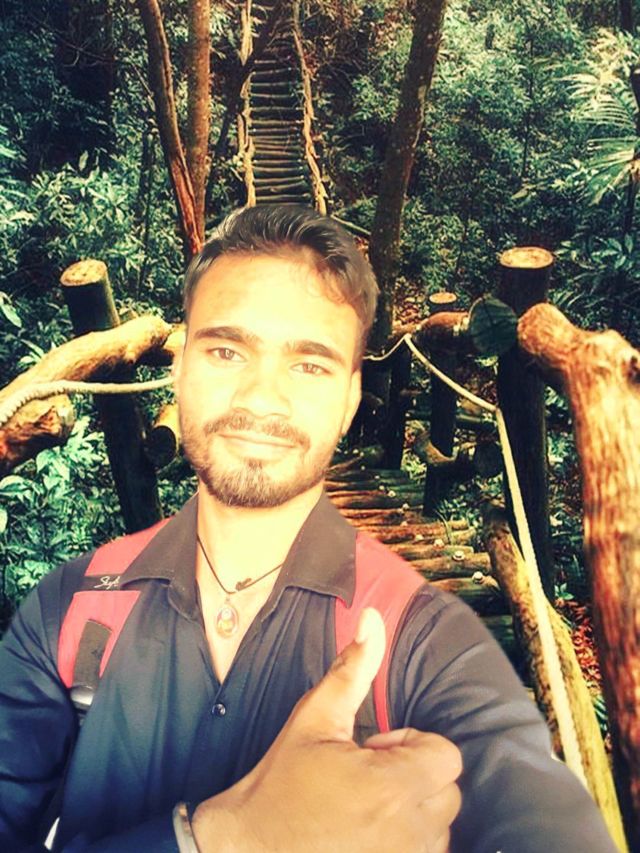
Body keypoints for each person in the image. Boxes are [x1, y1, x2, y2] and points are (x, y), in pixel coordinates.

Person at [0, 205, 617, 853]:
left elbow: (534, 806)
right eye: (226, 350)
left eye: (310, 364)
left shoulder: (428, 637)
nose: (262, 396)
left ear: (350, 400)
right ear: (178, 374)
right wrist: (232, 835)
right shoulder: (67, 612)